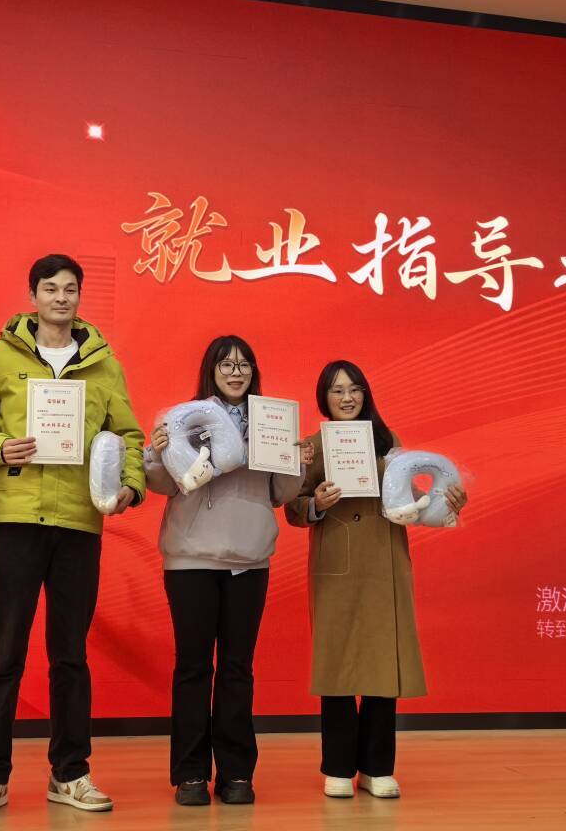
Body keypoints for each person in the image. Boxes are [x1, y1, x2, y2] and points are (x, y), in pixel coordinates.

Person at [0, 254, 145, 819]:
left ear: (80, 296)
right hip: (16, 519)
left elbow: (129, 436)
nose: (61, 298)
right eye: (50, 288)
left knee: (70, 656)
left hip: (79, 522)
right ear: (33, 296)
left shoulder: (104, 366)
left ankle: (70, 773)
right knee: (5, 652)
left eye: (70, 289)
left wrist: (130, 485)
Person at [286, 360, 466, 800]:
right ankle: (338, 767)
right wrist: (317, 503)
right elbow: (292, 507)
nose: (347, 397)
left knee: (384, 663)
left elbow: (411, 500)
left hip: (384, 561)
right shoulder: (311, 446)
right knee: (337, 664)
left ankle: (377, 768)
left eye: (354, 389)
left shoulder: (389, 442)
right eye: (337, 390)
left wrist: (445, 501)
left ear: (365, 394)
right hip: (337, 563)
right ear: (324, 398)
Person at [146, 336, 313, 806]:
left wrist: (297, 464)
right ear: (211, 370)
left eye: (244, 364)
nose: (235, 372)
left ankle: (237, 772)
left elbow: (279, 494)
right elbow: (165, 485)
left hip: (250, 558)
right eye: (226, 364)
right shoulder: (181, 417)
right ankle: (191, 774)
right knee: (193, 667)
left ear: (253, 371)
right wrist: (156, 453)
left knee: (238, 669)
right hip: (190, 559)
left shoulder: (272, 419)